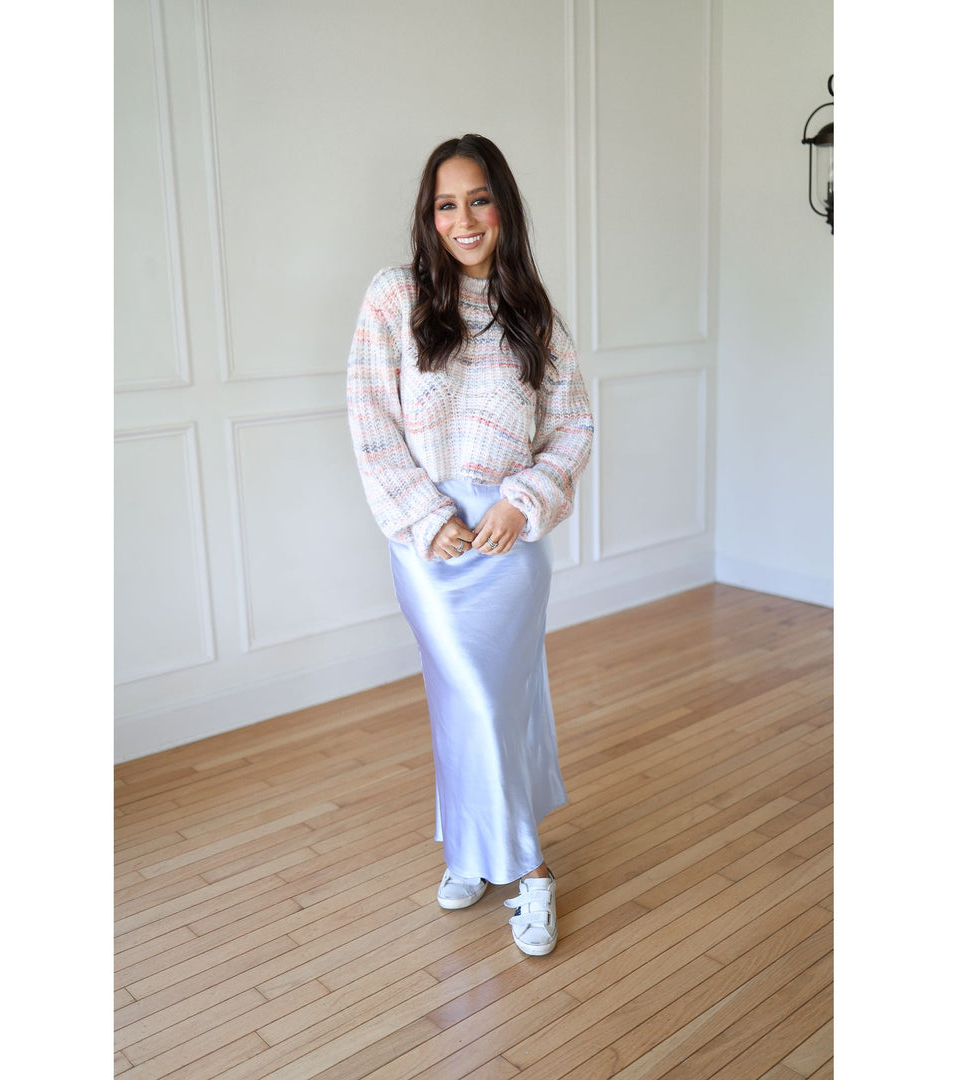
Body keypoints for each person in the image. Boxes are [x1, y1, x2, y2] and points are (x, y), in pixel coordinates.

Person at [346, 134, 593, 956]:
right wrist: (425, 516)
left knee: (493, 702)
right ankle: (497, 858)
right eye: (446, 204)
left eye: (478, 199)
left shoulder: (533, 316)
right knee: (465, 700)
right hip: (430, 545)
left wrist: (523, 503)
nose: (464, 219)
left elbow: (573, 428)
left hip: (508, 546)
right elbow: (372, 422)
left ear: (502, 207)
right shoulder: (395, 298)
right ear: (429, 216)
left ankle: (508, 864)